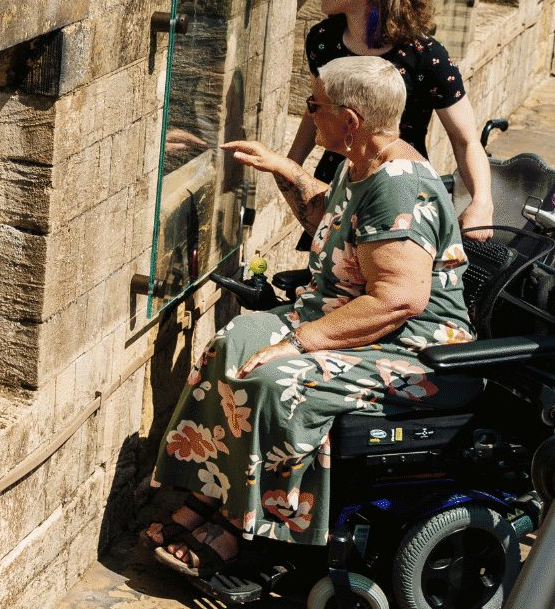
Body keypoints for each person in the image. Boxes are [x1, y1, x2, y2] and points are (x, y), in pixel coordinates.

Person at [145, 57, 478, 592]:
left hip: (407, 345)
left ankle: (248, 528)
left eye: (313, 104)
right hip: (343, 313)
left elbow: (400, 299)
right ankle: (211, 492)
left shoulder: (398, 185)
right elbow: (333, 225)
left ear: (350, 119)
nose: (308, 113)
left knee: (279, 384)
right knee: (232, 346)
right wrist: (287, 170)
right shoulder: (360, 159)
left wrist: (300, 343)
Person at [289, 0, 492, 235]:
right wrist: (291, 166)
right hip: (338, 184)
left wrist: (482, 203)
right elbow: (318, 107)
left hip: (400, 192)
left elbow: (465, 139)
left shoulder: (426, 55)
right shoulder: (323, 40)